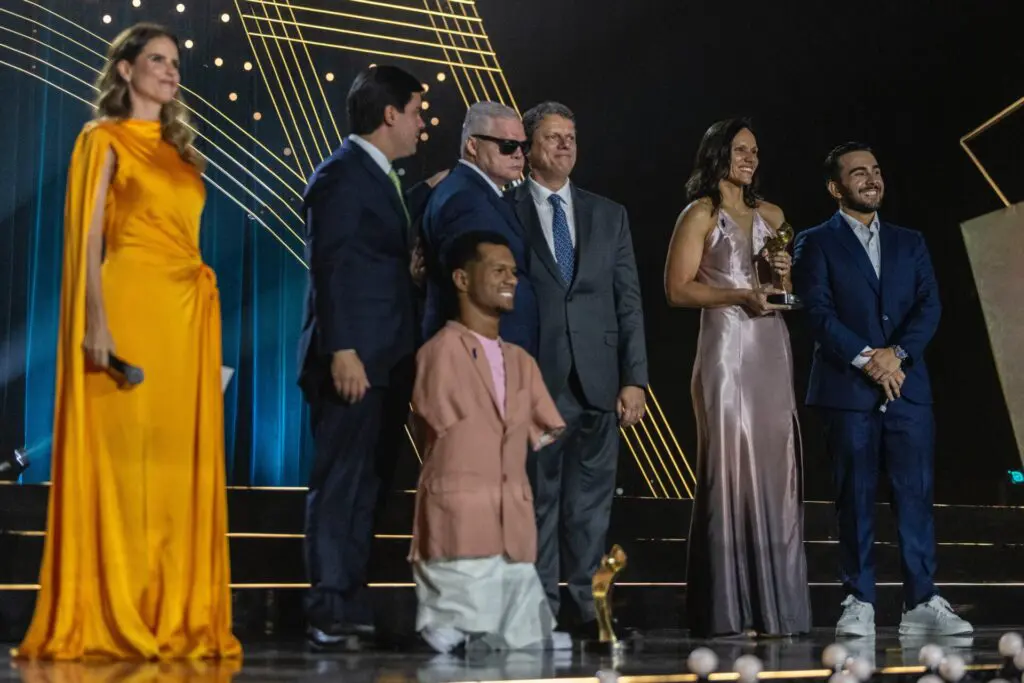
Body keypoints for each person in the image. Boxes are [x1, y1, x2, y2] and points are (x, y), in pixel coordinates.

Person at [15, 23, 241, 659]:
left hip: (185, 316)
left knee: (172, 470)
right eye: (158, 60)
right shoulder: (102, 138)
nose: (171, 71)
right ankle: (110, 609)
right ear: (125, 71)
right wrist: (95, 323)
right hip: (128, 309)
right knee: (123, 465)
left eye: (176, 61)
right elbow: (87, 239)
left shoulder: (182, 152)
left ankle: (171, 611)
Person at [792, 142, 973, 638]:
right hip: (847, 391)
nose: (871, 179)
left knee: (915, 495)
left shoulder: (909, 241)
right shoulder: (815, 242)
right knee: (854, 497)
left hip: (908, 389)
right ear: (836, 188)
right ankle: (859, 600)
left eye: (875, 170)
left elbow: (929, 306)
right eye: (858, 173)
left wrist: (899, 356)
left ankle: (922, 599)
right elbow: (817, 312)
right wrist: (869, 359)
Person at [297, 64, 445, 649]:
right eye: (416, 113)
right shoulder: (341, 175)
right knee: (342, 485)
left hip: (385, 361)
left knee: (370, 487)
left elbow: (374, 243)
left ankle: (348, 603)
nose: (421, 125)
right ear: (390, 114)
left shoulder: (375, 177)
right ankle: (329, 608)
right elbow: (331, 267)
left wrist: (416, 196)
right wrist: (342, 349)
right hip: (353, 360)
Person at [664, 118, 811, 637]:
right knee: (726, 467)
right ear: (718, 154)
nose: (750, 158)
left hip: (770, 345)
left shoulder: (774, 215)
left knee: (776, 468)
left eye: (754, 150)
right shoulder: (701, 214)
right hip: (726, 345)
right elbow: (678, 290)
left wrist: (781, 279)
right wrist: (739, 295)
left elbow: (777, 287)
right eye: (740, 149)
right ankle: (727, 609)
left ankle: (778, 610)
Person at [510, 102, 648, 637]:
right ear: (527, 147)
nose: (565, 145)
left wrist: (634, 378)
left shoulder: (609, 214)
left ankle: (591, 611)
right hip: (537, 380)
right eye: (552, 137)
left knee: (590, 510)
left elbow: (628, 300)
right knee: (539, 504)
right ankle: (542, 611)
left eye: (570, 136)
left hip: (599, 383)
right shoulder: (509, 207)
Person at [408, 230, 569, 654]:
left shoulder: (522, 362)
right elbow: (427, 423)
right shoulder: (439, 353)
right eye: (498, 270)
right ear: (462, 279)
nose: (510, 279)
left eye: (513, 272)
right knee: (455, 643)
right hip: (458, 537)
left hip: (512, 540)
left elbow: (541, 429)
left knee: (538, 647)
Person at [420, 101, 539, 357]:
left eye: (523, 146)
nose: (519, 154)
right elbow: (474, 292)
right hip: (483, 360)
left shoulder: (479, 194)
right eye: (508, 146)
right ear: (473, 145)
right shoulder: (464, 198)